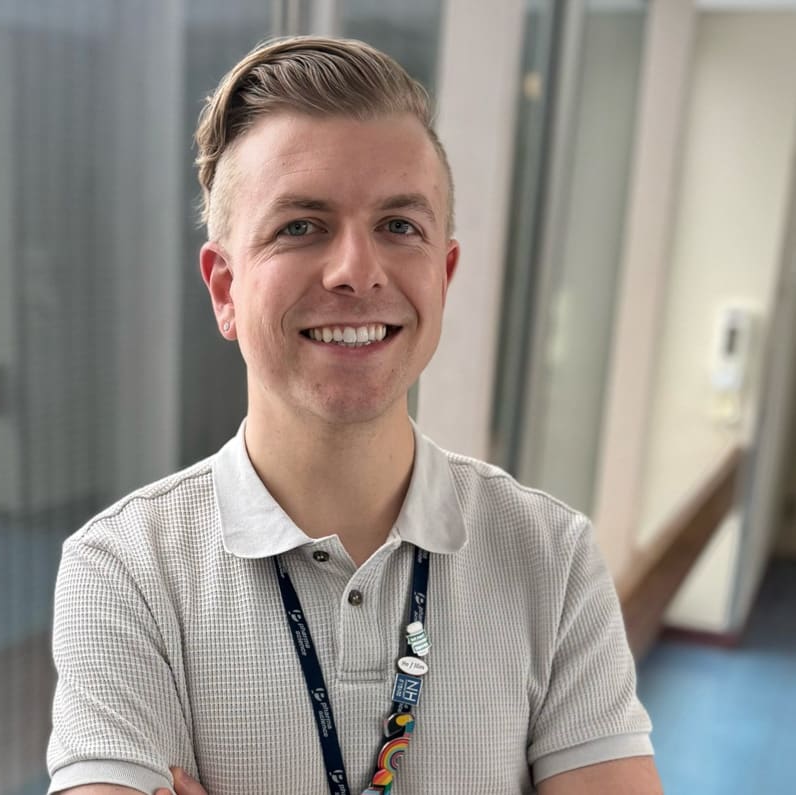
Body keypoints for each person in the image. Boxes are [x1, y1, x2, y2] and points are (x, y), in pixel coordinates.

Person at [47, 36, 662, 795]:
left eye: (399, 226)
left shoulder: (553, 557)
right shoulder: (124, 569)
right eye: (301, 226)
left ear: (444, 273)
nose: (356, 271)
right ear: (224, 289)